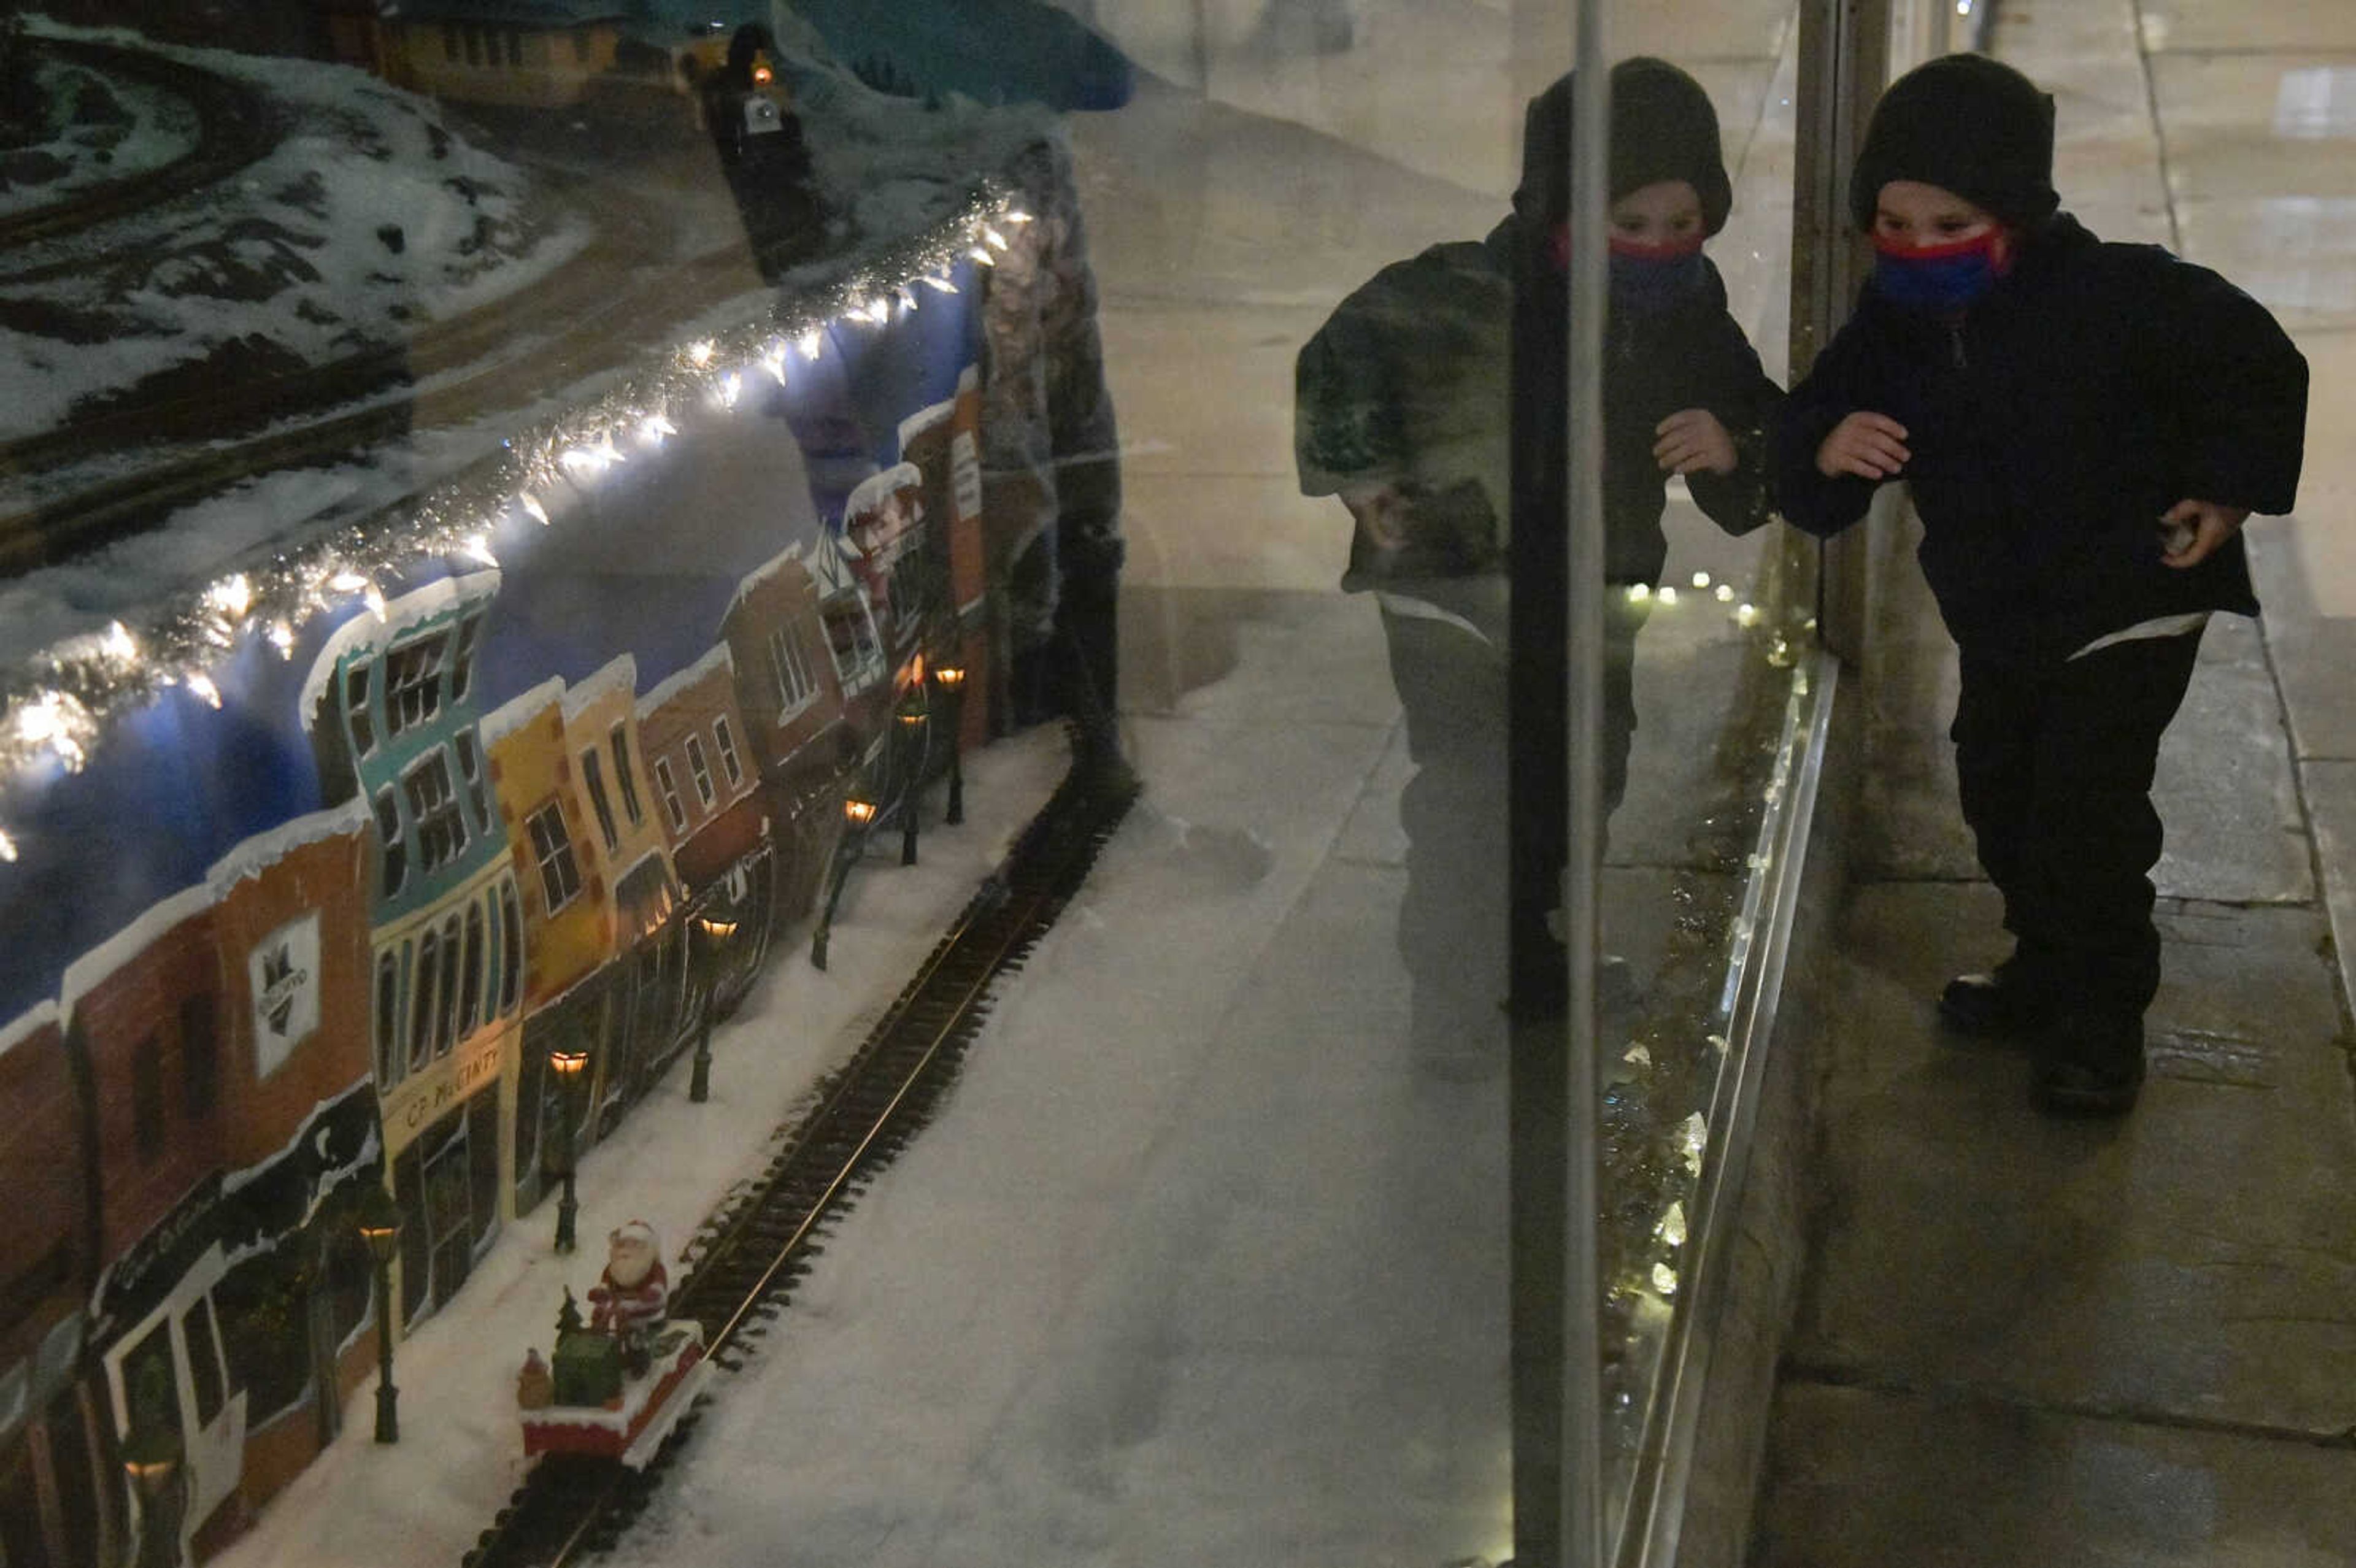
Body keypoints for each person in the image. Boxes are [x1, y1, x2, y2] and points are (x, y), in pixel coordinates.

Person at [1772, 54, 2308, 1115]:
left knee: (2087, 814)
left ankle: (2102, 1015)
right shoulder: (1892, 330)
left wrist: (2224, 490)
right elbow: (1810, 433)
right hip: (2001, 614)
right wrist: (1827, 446)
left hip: (2129, 598)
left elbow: (2257, 365)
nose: (1920, 250)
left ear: (2016, 215)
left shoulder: (2124, 295)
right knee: (2001, 793)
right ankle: (2047, 961)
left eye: (1950, 225)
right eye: (1897, 225)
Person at [1295, 58, 1780, 1074]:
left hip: (1596, 595)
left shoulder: (1686, 310)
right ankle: (1454, 992)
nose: (1653, 249)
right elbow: (1341, 355)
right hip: (1457, 596)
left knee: (1581, 780)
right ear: (1557, 212)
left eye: (1677, 223)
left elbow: (1749, 416)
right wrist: (1365, 479)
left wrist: (1734, 447)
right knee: (1471, 794)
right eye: (1626, 223)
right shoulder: (1463, 292)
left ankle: (1538, 948)